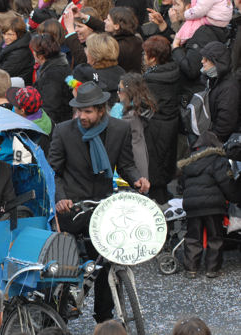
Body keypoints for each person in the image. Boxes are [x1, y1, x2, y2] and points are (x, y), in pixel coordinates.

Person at [48, 81, 149, 323]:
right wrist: (61, 199)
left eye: (87, 111)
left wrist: (137, 179)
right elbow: (53, 172)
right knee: (66, 267)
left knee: (106, 264)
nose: (81, 116)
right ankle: (58, 310)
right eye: (78, 111)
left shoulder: (119, 129)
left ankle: (105, 319)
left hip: (102, 206)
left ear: (101, 110)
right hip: (71, 208)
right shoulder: (63, 130)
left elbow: (125, 165)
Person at [177, 132, 239, 279]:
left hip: (192, 206)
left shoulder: (188, 162)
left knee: (193, 236)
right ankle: (212, 269)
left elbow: (181, 187)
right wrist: (236, 197)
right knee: (215, 237)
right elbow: (226, 184)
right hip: (213, 206)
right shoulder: (218, 160)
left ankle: (191, 269)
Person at [142, 35, 180, 204]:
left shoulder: (151, 79)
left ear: (153, 57)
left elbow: (145, 104)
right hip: (171, 122)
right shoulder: (174, 71)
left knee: (155, 167)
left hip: (155, 126)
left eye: (145, 53)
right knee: (165, 163)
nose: (143, 57)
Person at [171, 0, 228, 103]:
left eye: (177, 4)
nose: (173, 8)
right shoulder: (189, 27)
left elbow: (191, 69)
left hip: (192, 97)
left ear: (189, 7)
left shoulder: (202, 32)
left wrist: (175, 47)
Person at [117, 73, 157, 180]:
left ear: (129, 92)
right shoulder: (140, 112)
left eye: (119, 89)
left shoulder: (129, 118)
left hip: (132, 170)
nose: (117, 92)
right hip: (140, 167)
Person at [199, 41, 239, 143]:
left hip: (218, 141)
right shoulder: (211, 79)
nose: (202, 61)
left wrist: (209, 140)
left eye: (206, 59)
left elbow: (225, 124)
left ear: (218, 63)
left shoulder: (229, 88)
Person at [73, 33, 126, 107]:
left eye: (87, 48)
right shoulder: (121, 71)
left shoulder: (87, 74)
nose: (85, 51)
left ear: (95, 54)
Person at [30, 33, 73, 124]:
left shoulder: (52, 75)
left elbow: (50, 108)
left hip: (56, 125)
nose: (32, 53)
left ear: (40, 56)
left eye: (33, 51)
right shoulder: (59, 66)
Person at [6, 86, 53, 155]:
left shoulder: (25, 134)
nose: (13, 106)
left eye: (14, 105)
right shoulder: (43, 115)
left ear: (22, 111)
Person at [0, 17, 35, 85]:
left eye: (10, 34)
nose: (6, 37)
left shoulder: (20, 53)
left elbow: (3, 74)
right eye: (4, 33)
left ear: (19, 34)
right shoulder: (8, 44)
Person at [104, 7, 142, 73]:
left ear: (116, 26)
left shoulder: (116, 47)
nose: (104, 21)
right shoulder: (136, 40)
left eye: (108, 19)